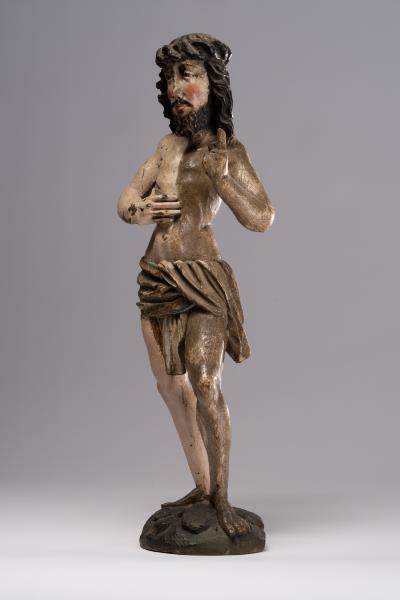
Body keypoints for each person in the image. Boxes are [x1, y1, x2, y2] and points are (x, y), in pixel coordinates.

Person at [117, 33, 274, 537]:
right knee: (171, 387)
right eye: (170, 78)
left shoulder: (230, 151)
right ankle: (202, 485)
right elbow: (127, 198)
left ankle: (223, 501)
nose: (175, 88)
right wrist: (140, 210)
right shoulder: (167, 147)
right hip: (157, 278)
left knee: (206, 383)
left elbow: (262, 217)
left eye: (187, 75)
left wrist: (222, 178)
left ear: (213, 84)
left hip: (203, 278)